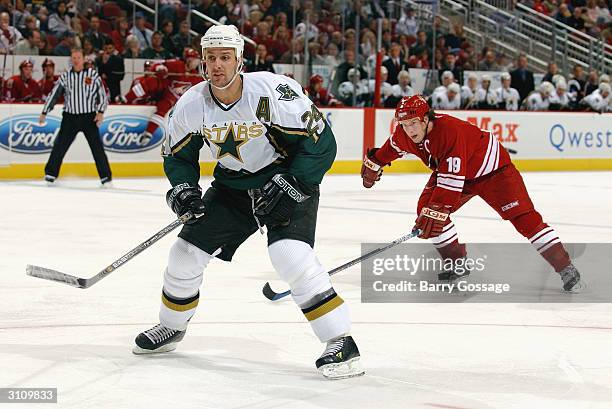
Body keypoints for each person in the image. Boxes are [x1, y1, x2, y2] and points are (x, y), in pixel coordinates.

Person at [132, 25, 365, 380]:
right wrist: (183, 188)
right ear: (202, 62)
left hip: (286, 179)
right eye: (210, 58)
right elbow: (178, 157)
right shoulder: (192, 104)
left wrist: (295, 182)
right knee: (184, 254)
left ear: (240, 60)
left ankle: (340, 341)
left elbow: (322, 143)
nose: (217, 65)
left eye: (225, 57)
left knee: (289, 255)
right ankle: (171, 326)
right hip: (232, 188)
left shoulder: (273, 92)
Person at [360, 95, 585, 292]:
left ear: (427, 118)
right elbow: (391, 148)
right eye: (404, 124)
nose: (409, 130)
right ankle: (457, 263)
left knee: (524, 219)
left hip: (494, 172)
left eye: (413, 123)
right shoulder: (404, 135)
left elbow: (450, 184)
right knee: (426, 211)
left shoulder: (449, 132)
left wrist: (436, 211)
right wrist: (375, 161)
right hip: (459, 174)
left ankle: (565, 266)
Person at [39, 47, 111, 187]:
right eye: (73, 58)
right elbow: (54, 94)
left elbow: (102, 95)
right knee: (59, 146)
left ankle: (106, 177)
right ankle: (50, 174)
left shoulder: (93, 75)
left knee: (97, 148)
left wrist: (100, 112)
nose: (76, 60)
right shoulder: (66, 76)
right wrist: (44, 112)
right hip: (70, 117)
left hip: (89, 117)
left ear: (84, 59)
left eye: (78, 57)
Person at [116, 48, 202, 144]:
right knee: (152, 81)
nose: (197, 63)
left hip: (172, 97)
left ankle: (148, 133)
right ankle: (125, 98)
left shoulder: (196, 75)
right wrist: (160, 69)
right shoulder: (177, 65)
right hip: (164, 88)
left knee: (164, 107)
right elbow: (158, 66)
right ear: (188, 59)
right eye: (195, 60)